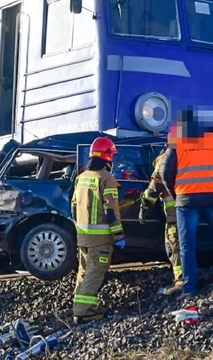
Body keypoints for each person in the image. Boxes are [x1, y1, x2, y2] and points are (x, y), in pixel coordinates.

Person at [159, 111, 213, 299]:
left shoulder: (177, 142)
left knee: (186, 244)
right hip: (212, 196)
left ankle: (190, 288)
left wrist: (175, 191)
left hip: (186, 199)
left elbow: (164, 172)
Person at [70, 136, 125, 323]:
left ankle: (79, 307)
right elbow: (111, 211)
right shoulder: (107, 179)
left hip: (83, 236)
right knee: (95, 273)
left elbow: (73, 206)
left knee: (84, 272)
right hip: (100, 239)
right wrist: (118, 235)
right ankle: (84, 312)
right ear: (108, 156)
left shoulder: (81, 178)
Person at [139, 139, 181, 295]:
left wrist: (144, 206)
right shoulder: (189, 153)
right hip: (192, 207)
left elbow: (155, 185)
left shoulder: (166, 157)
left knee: (175, 246)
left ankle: (182, 281)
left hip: (174, 213)